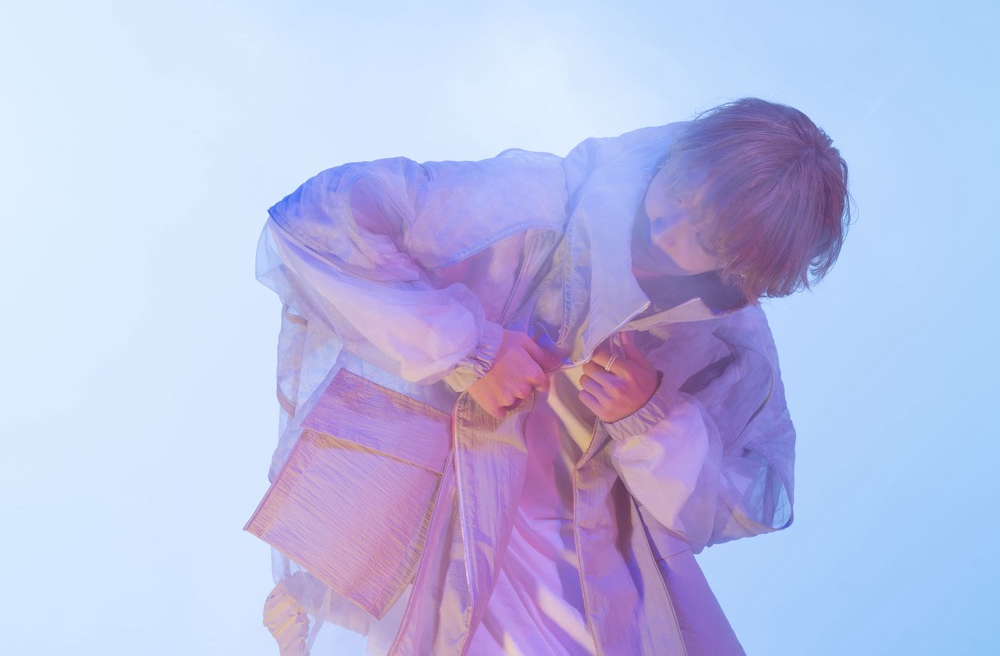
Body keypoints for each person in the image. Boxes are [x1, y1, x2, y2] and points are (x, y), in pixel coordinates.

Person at [252, 97, 851, 655]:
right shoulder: (536, 203)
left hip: (585, 585)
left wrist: (650, 417)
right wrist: (470, 352)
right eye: (680, 191)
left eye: (703, 238)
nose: (666, 229)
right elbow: (320, 223)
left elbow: (738, 501)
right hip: (436, 530)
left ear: (742, 266)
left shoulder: (724, 348)